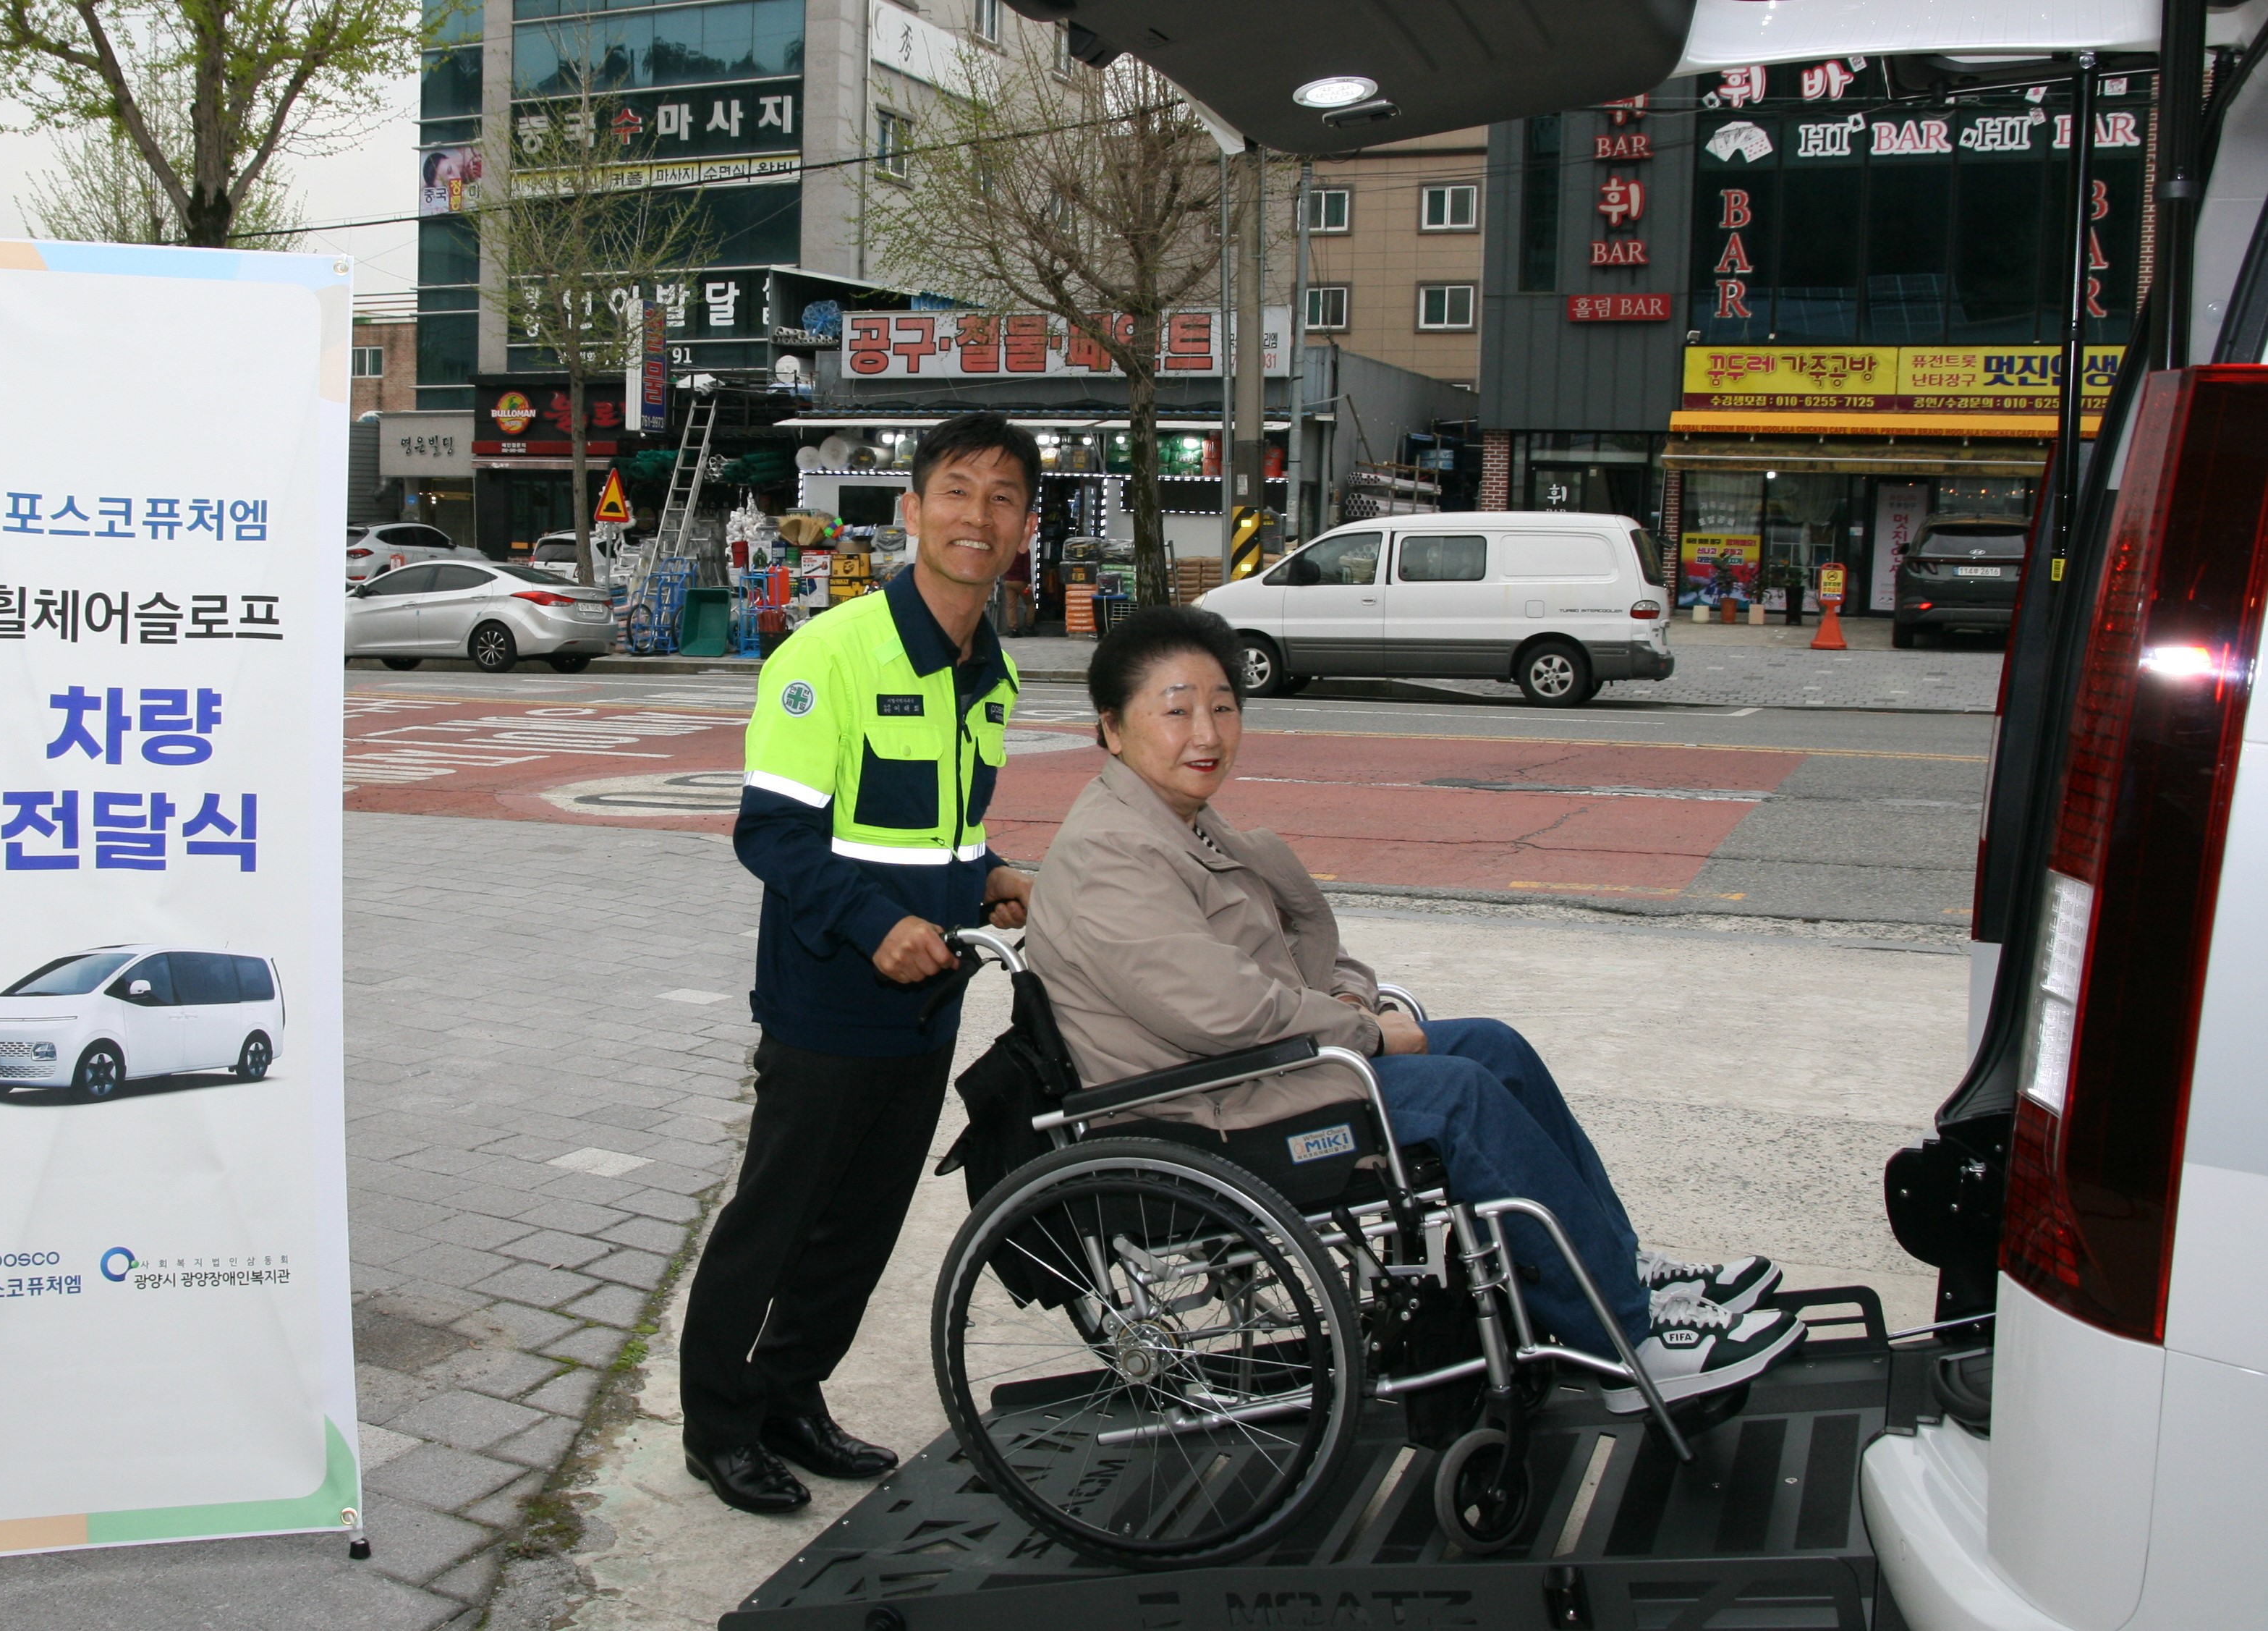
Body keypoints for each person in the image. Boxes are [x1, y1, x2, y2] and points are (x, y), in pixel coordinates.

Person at [1020, 604, 1806, 1412]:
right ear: (1111, 730)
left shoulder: (1180, 821)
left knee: (1496, 1047)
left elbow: (1284, 960)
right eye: (1176, 709)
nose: (1208, 731)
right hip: (1210, 1114)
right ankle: (1624, 1343)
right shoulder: (1114, 853)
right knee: (1459, 1097)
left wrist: (1355, 1001)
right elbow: (1221, 1010)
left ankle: (1613, 1267)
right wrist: (1364, 1030)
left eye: (1223, 705)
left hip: (1259, 1072)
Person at [680, 413, 1040, 1513]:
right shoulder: (826, 656)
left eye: (1004, 497)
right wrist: (877, 924)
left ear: (1025, 526)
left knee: (862, 1225)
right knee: (775, 1217)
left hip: (933, 1004)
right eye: (957, 490)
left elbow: (936, 827)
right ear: (913, 507)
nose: (978, 516)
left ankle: (790, 1394)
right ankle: (717, 1425)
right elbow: (774, 833)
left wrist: (990, 875)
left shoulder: (996, 672)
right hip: (828, 996)